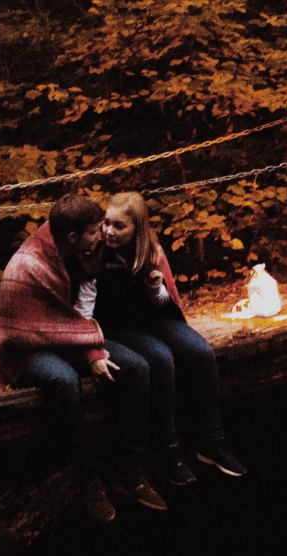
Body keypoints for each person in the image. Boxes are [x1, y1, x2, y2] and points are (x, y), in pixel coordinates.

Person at [0, 192, 168, 523]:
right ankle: (89, 480)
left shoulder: (78, 247)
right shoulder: (30, 265)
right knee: (63, 380)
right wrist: (91, 352)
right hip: (25, 348)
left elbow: (73, 317)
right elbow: (31, 329)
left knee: (136, 367)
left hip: (71, 337)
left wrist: (92, 350)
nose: (101, 236)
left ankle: (129, 470)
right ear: (73, 236)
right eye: (95, 230)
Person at [93, 191, 248, 486]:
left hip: (151, 317)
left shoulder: (150, 250)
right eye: (106, 223)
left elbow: (165, 304)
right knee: (161, 358)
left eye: (119, 226)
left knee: (200, 350)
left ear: (137, 228)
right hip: (116, 326)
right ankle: (168, 448)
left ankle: (212, 442)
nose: (109, 231)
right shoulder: (96, 253)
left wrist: (155, 288)